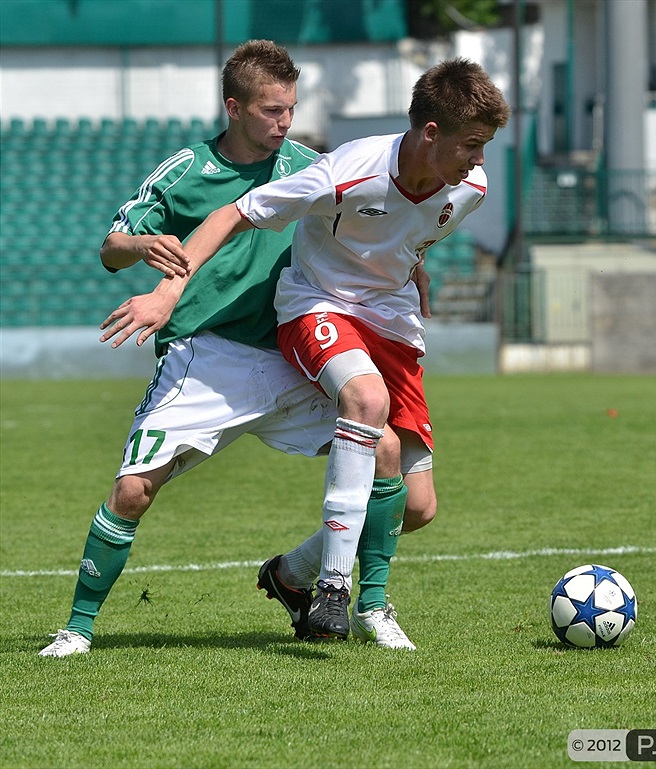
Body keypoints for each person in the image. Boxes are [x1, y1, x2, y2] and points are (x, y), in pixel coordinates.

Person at [99, 58, 511, 640]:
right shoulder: (341, 170)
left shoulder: (469, 187)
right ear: (431, 133)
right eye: (473, 144)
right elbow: (226, 215)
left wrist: (413, 262)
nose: (481, 160)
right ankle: (347, 596)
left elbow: (408, 229)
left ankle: (293, 575)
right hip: (307, 309)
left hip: (388, 320)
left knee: (415, 508)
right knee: (364, 402)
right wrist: (167, 290)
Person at [39, 40, 425, 657]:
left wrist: (406, 262)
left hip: (289, 350)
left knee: (380, 449)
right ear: (233, 107)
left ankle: (372, 606)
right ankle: (77, 629)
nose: (285, 123)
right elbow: (112, 245)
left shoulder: (307, 163)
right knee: (134, 491)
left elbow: (369, 220)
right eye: (272, 110)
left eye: (291, 109)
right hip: (206, 356)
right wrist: (141, 249)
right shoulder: (187, 170)